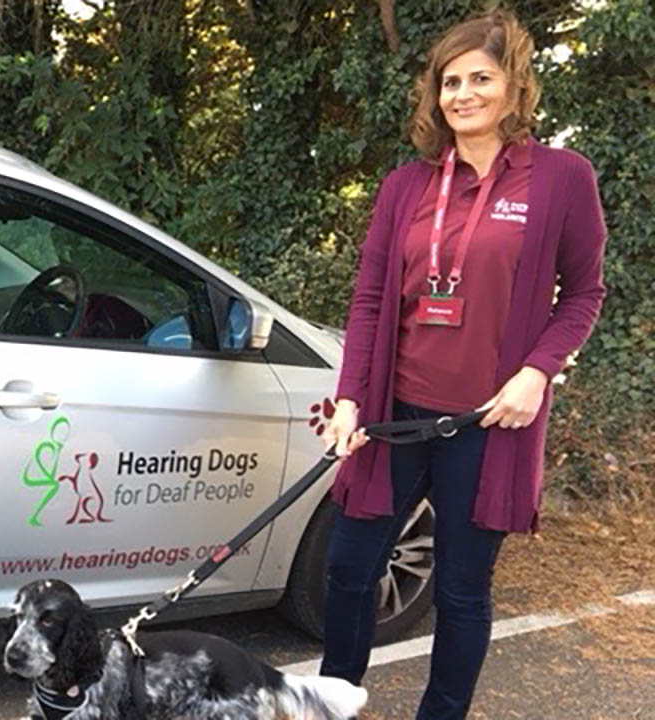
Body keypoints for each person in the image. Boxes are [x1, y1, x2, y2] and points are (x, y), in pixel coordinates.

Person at [318, 9, 607, 719]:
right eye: (451, 81)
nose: (463, 93)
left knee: (460, 591)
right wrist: (352, 401)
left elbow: (585, 292)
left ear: (515, 89)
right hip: (395, 417)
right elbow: (371, 299)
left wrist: (538, 370)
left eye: (482, 77)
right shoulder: (405, 187)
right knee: (349, 568)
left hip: (485, 424)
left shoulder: (561, 179)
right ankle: (330, 702)